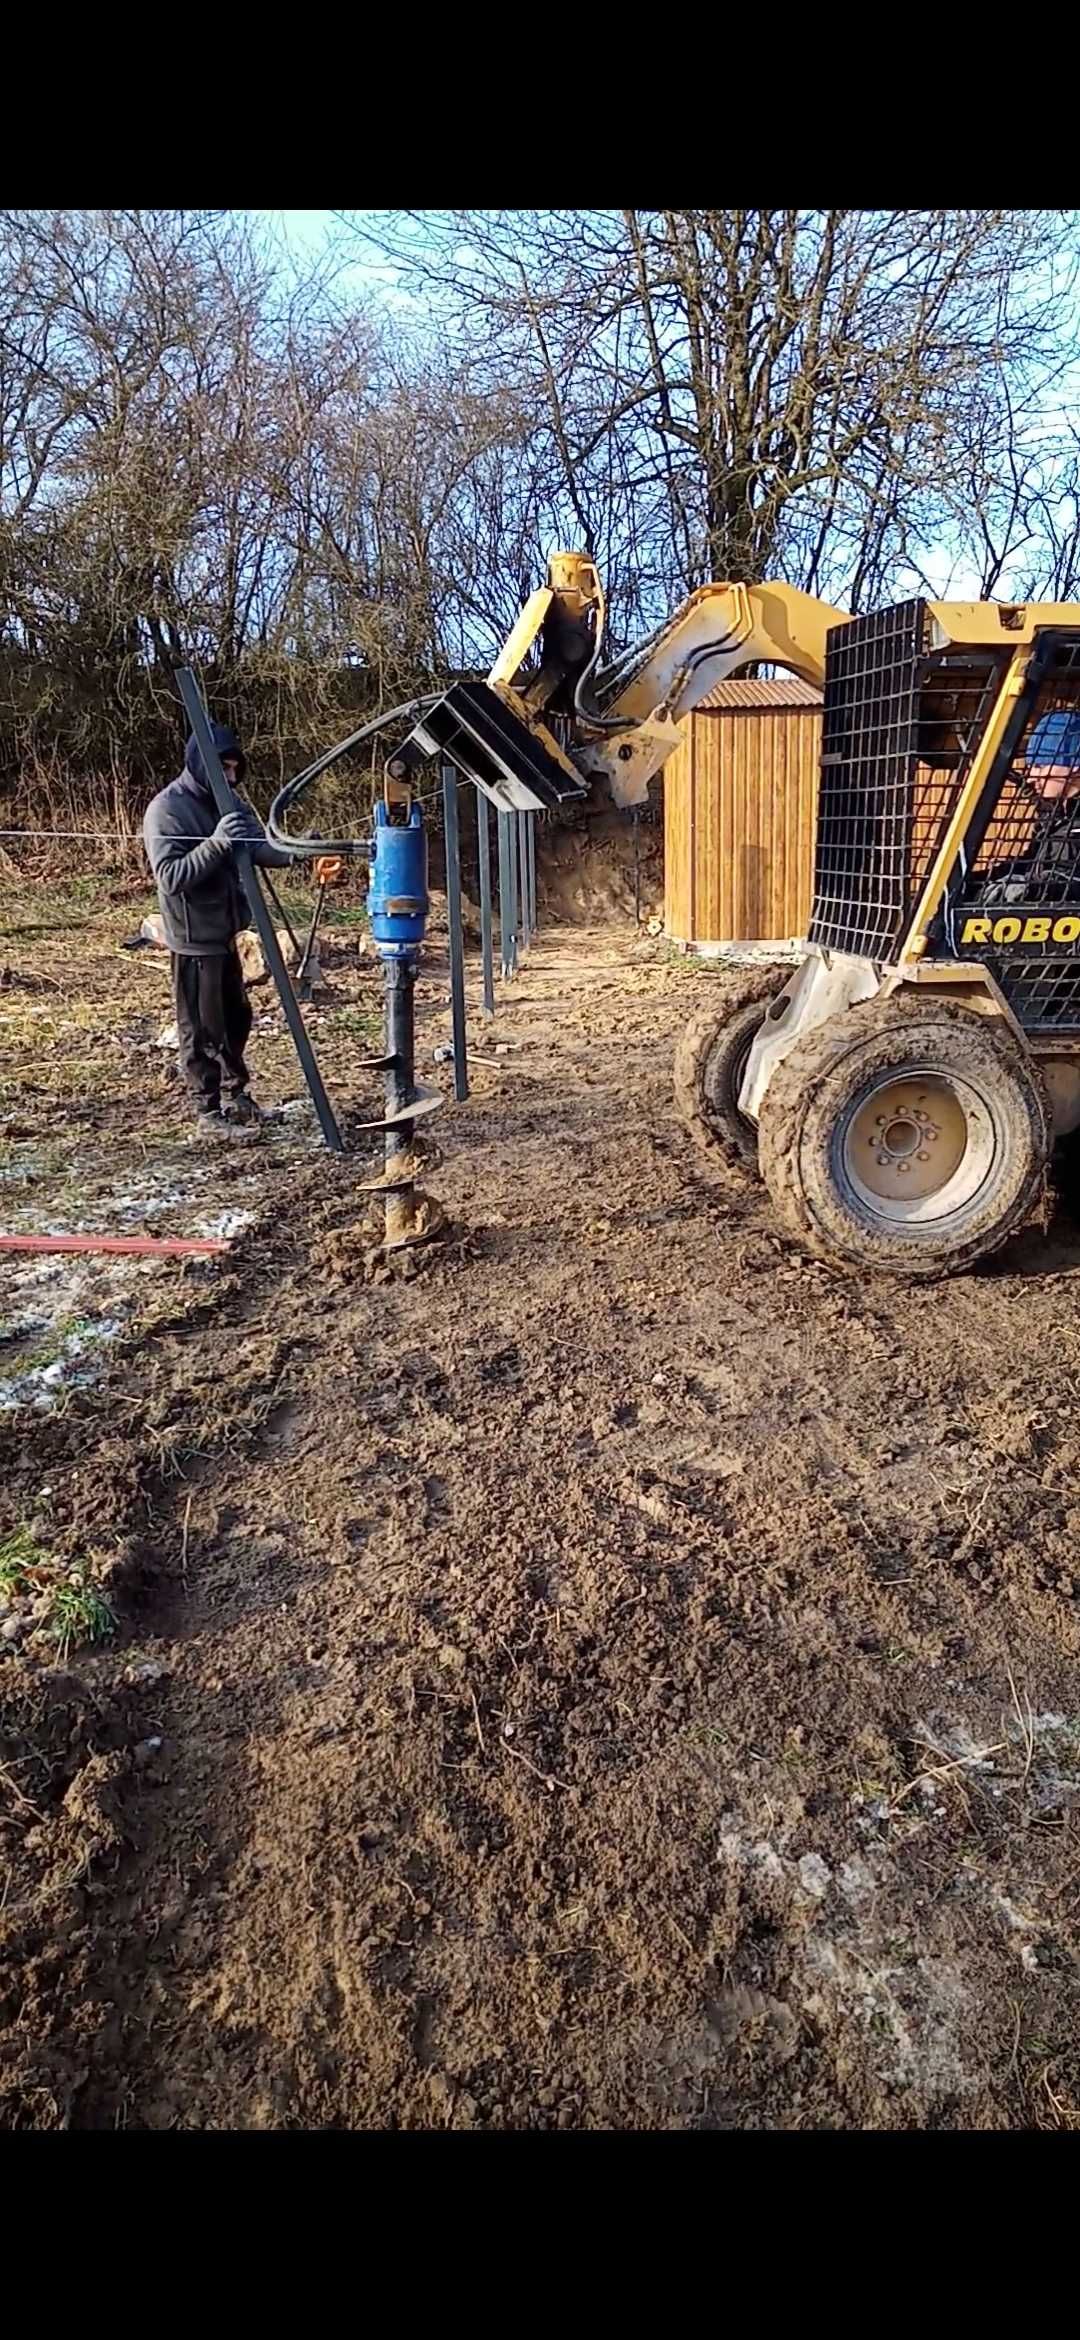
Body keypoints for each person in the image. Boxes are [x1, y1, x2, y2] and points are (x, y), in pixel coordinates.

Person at [143, 722, 293, 1139]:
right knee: (202, 1027)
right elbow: (171, 876)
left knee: (235, 1019)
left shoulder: (229, 801)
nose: (230, 777)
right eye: (223, 768)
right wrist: (216, 842)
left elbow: (256, 847)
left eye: (234, 768)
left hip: (228, 931)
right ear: (200, 765)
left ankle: (236, 1097)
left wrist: (299, 851)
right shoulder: (167, 809)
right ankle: (208, 1113)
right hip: (193, 936)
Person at [980, 709, 1080, 907]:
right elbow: (1030, 863)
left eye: (1040, 766)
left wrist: (1031, 889)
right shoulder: (1055, 818)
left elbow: (1071, 881)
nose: (1032, 777)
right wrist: (981, 881)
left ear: (1075, 765)